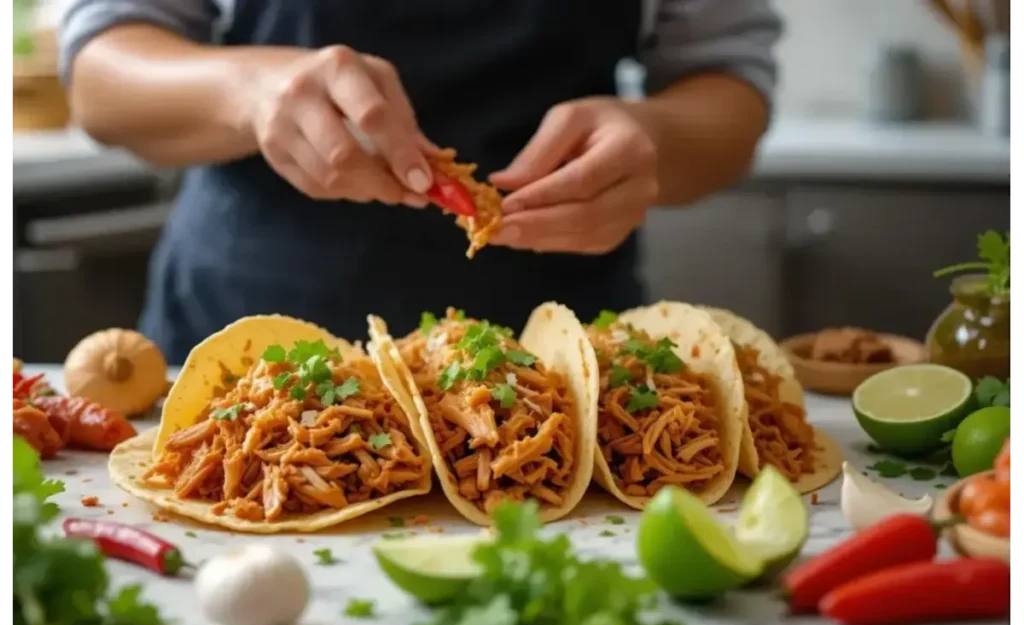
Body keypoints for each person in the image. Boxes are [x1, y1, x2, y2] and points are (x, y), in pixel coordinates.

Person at [60, 0, 782, 364]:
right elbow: (101, 75)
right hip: (244, 343)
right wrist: (250, 93)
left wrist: (653, 140)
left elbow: (729, 92)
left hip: (555, 365)